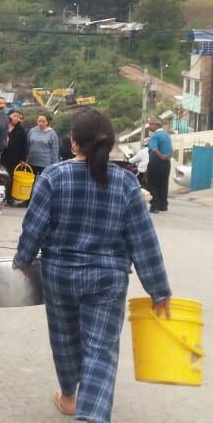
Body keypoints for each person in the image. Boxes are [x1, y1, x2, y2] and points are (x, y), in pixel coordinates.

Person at [14, 108, 171, 423]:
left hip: (59, 275)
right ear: (110, 143)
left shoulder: (53, 177)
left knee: (64, 337)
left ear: (74, 142)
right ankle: (92, 414)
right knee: (100, 349)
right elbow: (143, 240)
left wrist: (24, 259)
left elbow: (34, 227)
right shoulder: (126, 183)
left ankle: (68, 396)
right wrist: (159, 290)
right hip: (107, 279)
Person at [146, 116, 172, 213]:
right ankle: (163, 206)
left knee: (152, 184)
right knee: (163, 184)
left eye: (150, 124)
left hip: (156, 162)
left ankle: (154, 206)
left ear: (156, 125)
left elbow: (154, 148)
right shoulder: (167, 135)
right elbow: (171, 150)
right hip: (166, 162)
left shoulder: (155, 136)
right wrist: (166, 157)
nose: (149, 126)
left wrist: (161, 156)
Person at [2, 110, 29, 204]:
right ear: (9, 116)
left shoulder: (21, 130)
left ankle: (9, 197)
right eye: (14, 116)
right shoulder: (4, 127)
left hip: (15, 158)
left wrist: (23, 159)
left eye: (18, 117)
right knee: (2, 177)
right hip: (2, 156)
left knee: (11, 178)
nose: (16, 118)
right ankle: (1, 196)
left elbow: (24, 146)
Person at [27, 113, 60, 179]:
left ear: (47, 122)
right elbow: (27, 144)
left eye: (43, 121)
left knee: (43, 182)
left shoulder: (52, 133)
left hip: (45, 164)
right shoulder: (32, 130)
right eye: (39, 121)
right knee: (29, 181)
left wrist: (55, 165)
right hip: (32, 161)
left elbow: (55, 150)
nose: (41, 123)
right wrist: (25, 157)